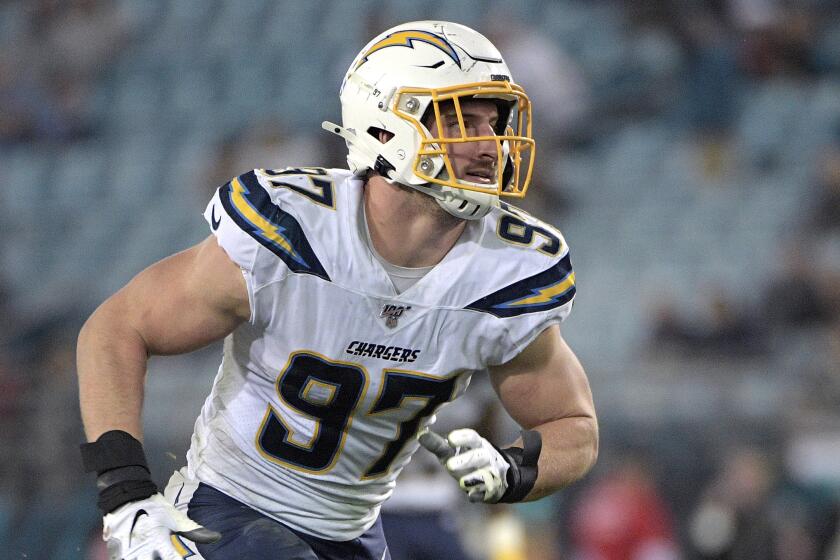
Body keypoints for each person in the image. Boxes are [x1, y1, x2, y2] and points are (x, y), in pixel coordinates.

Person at [76, 20, 598, 560]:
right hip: (228, 510)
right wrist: (127, 496)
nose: (490, 144)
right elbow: (117, 328)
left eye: (495, 122)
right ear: (384, 127)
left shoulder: (506, 269)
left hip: (353, 533)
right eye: (463, 120)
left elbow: (571, 423)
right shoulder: (295, 231)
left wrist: (513, 469)